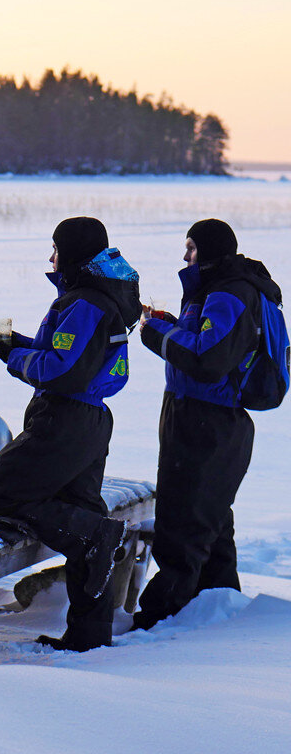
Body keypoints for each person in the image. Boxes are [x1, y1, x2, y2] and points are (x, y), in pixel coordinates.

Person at [0, 217, 142, 652]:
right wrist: (22, 347)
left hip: (66, 419)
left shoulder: (85, 302)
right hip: (88, 421)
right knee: (78, 509)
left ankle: (98, 534)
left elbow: (64, 370)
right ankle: (89, 637)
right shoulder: (98, 298)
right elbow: (71, 355)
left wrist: (17, 361)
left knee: (1, 493)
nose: (51, 258)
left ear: (72, 253)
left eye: (55, 249)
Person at [132, 219, 274, 630]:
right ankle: (217, 604)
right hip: (200, 416)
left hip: (206, 420)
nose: (185, 255)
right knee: (209, 516)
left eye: (191, 247)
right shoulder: (216, 290)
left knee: (183, 521)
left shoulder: (228, 293)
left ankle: (164, 618)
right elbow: (206, 341)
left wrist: (155, 332)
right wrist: (169, 322)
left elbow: (207, 361)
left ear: (209, 251)